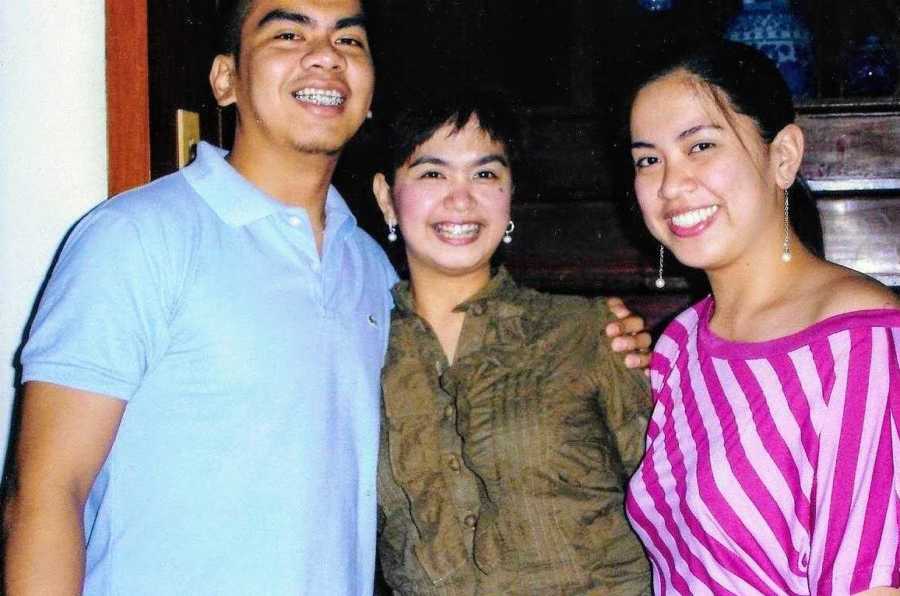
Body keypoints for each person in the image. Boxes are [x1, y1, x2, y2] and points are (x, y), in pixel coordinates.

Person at [2, 2, 650, 594]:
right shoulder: (137, 237)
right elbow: (45, 494)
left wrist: (604, 335)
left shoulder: (370, 270)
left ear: (368, 93)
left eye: (349, 38)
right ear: (225, 79)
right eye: (288, 32)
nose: (325, 54)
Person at [624, 40, 900, 595]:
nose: (671, 185)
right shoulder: (678, 344)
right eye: (648, 159)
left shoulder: (862, 341)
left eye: (699, 145)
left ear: (784, 155)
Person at [372, 90, 653, 595]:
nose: (461, 198)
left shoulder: (586, 333)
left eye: (485, 174)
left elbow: (671, 507)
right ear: (386, 197)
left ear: (510, 196)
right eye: (432, 173)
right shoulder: (360, 352)